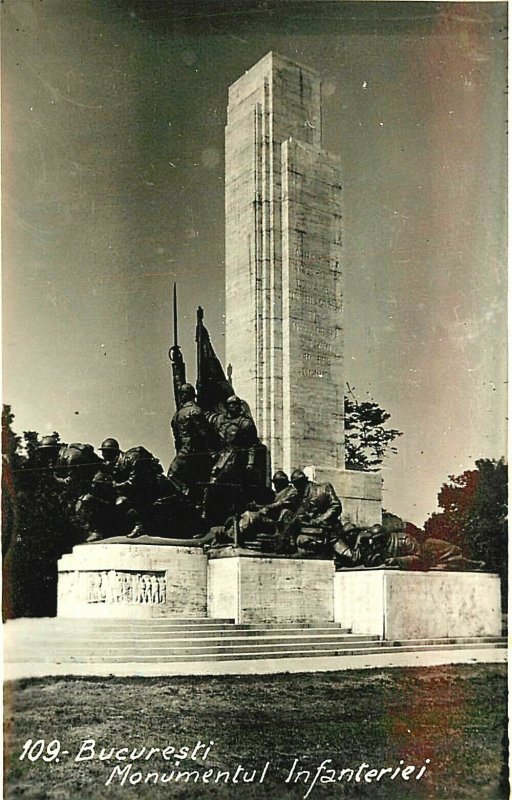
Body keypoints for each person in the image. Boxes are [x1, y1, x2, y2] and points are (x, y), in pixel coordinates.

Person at [167, 381, 216, 502]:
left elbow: (204, 432)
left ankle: (188, 493)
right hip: (184, 448)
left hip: (192, 449)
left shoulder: (195, 410)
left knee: (172, 474)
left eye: (183, 393)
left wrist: (211, 451)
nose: (181, 396)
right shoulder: (179, 413)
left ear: (189, 395)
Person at [282, 469, 343, 557]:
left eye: (298, 484)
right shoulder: (299, 496)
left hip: (327, 530)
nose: (296, 487)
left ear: (304, 481)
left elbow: (336, 506)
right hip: (309, 529)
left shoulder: (323, 488)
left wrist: (319, 519)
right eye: (295, 484)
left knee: (351, 557)